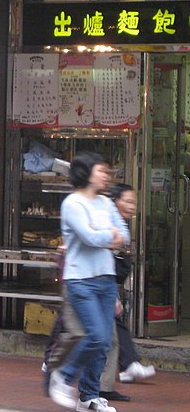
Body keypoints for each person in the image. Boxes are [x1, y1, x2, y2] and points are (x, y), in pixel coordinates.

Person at [48, 152, 130, 412]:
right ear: (86, 173)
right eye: (101, 170)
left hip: (106, 280)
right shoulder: (72, 203)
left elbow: (124, 235)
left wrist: (106, 235)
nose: (106, 175)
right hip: (81, 280)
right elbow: (89, 238)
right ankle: (62, 377)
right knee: (95, 336)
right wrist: (109, 235)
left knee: (104, 342)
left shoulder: (106, 203)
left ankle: (89, 396)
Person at [106, 184, 156, 386]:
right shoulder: (107, 218)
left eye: (133, 202)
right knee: (74, 324)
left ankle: (128, 366)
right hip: (95, 279)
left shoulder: (120, 222)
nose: (131, 206)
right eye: (127, 201)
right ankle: (55, 364)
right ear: (115, 201)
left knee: (108, 323)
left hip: (106, 280)